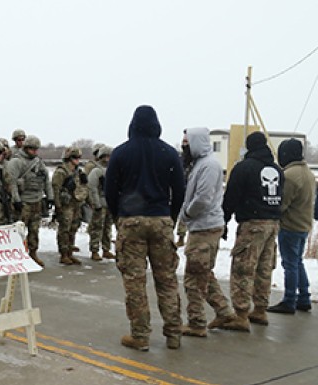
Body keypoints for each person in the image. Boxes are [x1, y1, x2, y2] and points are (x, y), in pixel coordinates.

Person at [104, 105, 185, 351]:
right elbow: (180, 191)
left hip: (131, 221)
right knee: (167, 279)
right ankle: (173, 334)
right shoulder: (169, 154)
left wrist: (120, 215)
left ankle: (140, 335)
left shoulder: (121, 153)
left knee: (135, 281)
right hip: (161, 219)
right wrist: (169, 216)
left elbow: (109, 191)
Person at [221, 131, 283, 332]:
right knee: (264, 268)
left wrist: (224, 219)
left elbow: (231, 197)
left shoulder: (244, 168)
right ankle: (260, 309)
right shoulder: (276, 169)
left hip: (252, 223)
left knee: (243, 268)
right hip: (273, 223)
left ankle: (240, 314)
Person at [178, 128, 236, 337]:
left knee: (193, 278)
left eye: (186, 142)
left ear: (196, 142)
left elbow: (202, 198)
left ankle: (196, 323)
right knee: (204, 274)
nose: (184, 146)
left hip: (204, 227)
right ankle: (225, 312)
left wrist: (186, 214)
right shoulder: (201, 164)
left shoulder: (209, 166)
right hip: (203, 226)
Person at [267, 138, 315, 314]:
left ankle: (289, 300)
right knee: (297, 261)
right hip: (303, 225)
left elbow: (282, 203)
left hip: (290, 225)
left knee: (290, 264)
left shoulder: (290, 176)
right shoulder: (308, 173)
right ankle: (304, 297)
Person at [7, 135, 54, 267]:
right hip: (23, 202)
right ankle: (16, 254)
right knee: (18, 230)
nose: (35, 152)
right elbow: (12, 182)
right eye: (32, 149)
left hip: (37, 200)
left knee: (34, 229)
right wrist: (16, 200)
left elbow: (46, 180)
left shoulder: (39, 162)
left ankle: (33, 253)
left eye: (36, 149)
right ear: (26, 148)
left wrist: (50, 196)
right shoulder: (16, 162)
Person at [52, 147, 89, 265]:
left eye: (79, 157)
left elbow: (83, 188)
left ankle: (70, 252)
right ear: (68, 158)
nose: (77, 160)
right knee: (65, 229)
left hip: (76, 203)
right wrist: (57, 206)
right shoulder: (61, 172)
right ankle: (63, 254)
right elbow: (55, 189)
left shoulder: (78, 172)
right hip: (65, 204)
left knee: (74, 228)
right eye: (75, 157)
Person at [86, 145, 115, 260]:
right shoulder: (96, 171)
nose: (107, 159)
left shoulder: (113, 170)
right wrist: (96, 203)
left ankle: (106, 249)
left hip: (110, 204)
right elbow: (92, 188)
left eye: (109, 156)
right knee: (97, 227)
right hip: (100, 204)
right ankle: (94, 250)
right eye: (105, 156)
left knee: (107, 228)